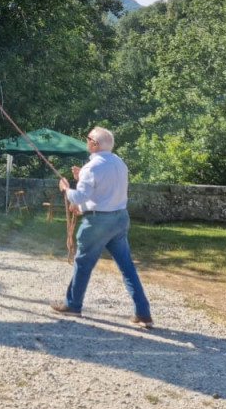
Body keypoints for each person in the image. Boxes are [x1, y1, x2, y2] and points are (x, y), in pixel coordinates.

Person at [50, 126, 152, 327]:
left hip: (98, 221)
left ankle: (72, 305)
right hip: (120, 219)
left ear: (94, 144)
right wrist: (82, 179)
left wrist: (66, 188)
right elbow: (106, 189)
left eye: (88, 138)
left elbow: (80, 197)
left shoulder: (92, 167)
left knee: (83, 263)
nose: (86, 141)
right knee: (127, 267)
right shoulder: (120, 163)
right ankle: (143, 313)